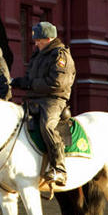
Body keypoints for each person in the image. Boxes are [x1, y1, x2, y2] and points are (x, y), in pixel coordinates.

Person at [11, 21, 75, 187]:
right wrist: (17, 82)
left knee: (47, 126)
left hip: (54, 99)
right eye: (36, 40)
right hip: (34, 98)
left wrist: (30, 84)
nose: (36, 42)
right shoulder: (38, 54)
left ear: (49, 38)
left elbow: (57, 83)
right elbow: (30, 78)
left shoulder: (60, 55)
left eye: (39, 40)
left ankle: (59, 169)